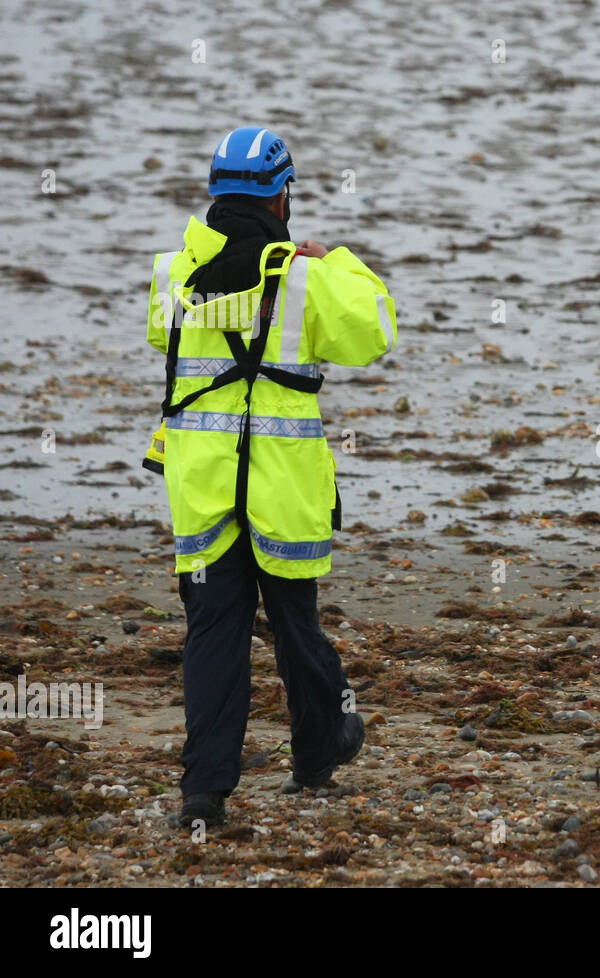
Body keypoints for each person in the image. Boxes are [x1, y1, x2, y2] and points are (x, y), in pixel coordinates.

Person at [146, 126, 397, 827]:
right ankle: (319, 748)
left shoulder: (172, 271)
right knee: (295, 625)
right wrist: (336, 259)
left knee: (214, 634)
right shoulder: (307, 276)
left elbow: (160, 337)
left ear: (214, 194)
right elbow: (376, 329)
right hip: (282, 488)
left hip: (202, 487)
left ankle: (204, 793)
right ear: (282, 196)